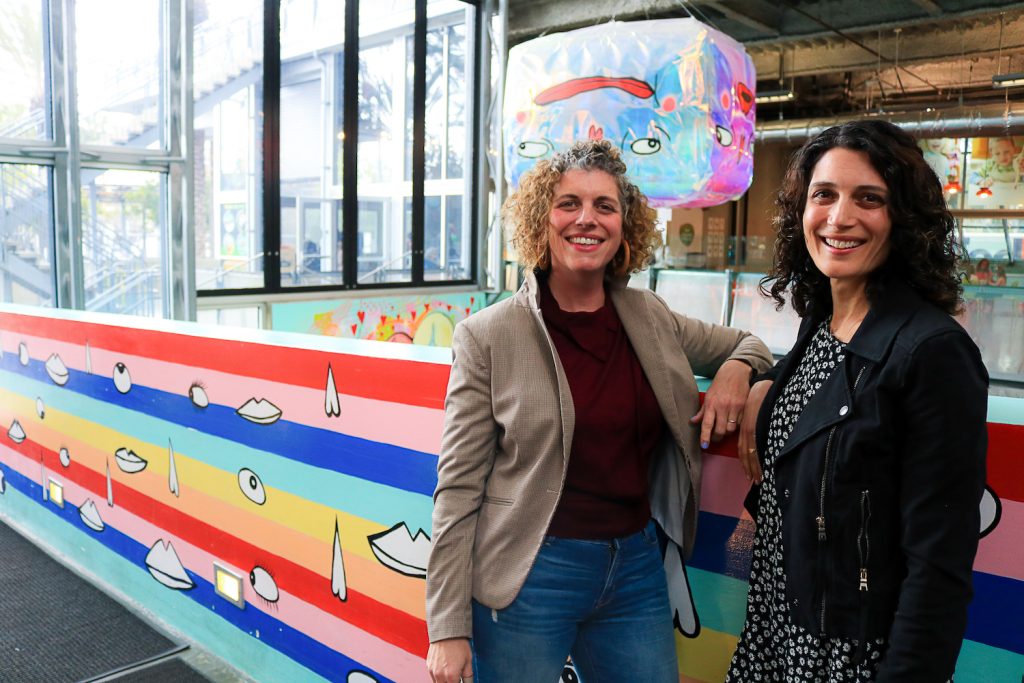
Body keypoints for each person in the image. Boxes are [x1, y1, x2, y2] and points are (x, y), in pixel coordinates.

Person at [426, 139, 773, 683]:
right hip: (530, 573)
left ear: (624, 226)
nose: (586, 219)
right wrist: (446, 627)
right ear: (542, 220)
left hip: (634, 567)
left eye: (604, 206)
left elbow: (751, 343)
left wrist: (738, 372)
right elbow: (458, 487)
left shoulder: (649, 314)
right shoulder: (488, 336)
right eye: (568, 203)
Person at [728, 120, 989, 682]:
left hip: (849, 658)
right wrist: (761, 381)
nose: (840, 218)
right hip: (775, 634)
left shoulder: (933, 352)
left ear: (903, 218)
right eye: (824, 195)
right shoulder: (824, 320)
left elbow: (938, 567)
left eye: (868, 199)